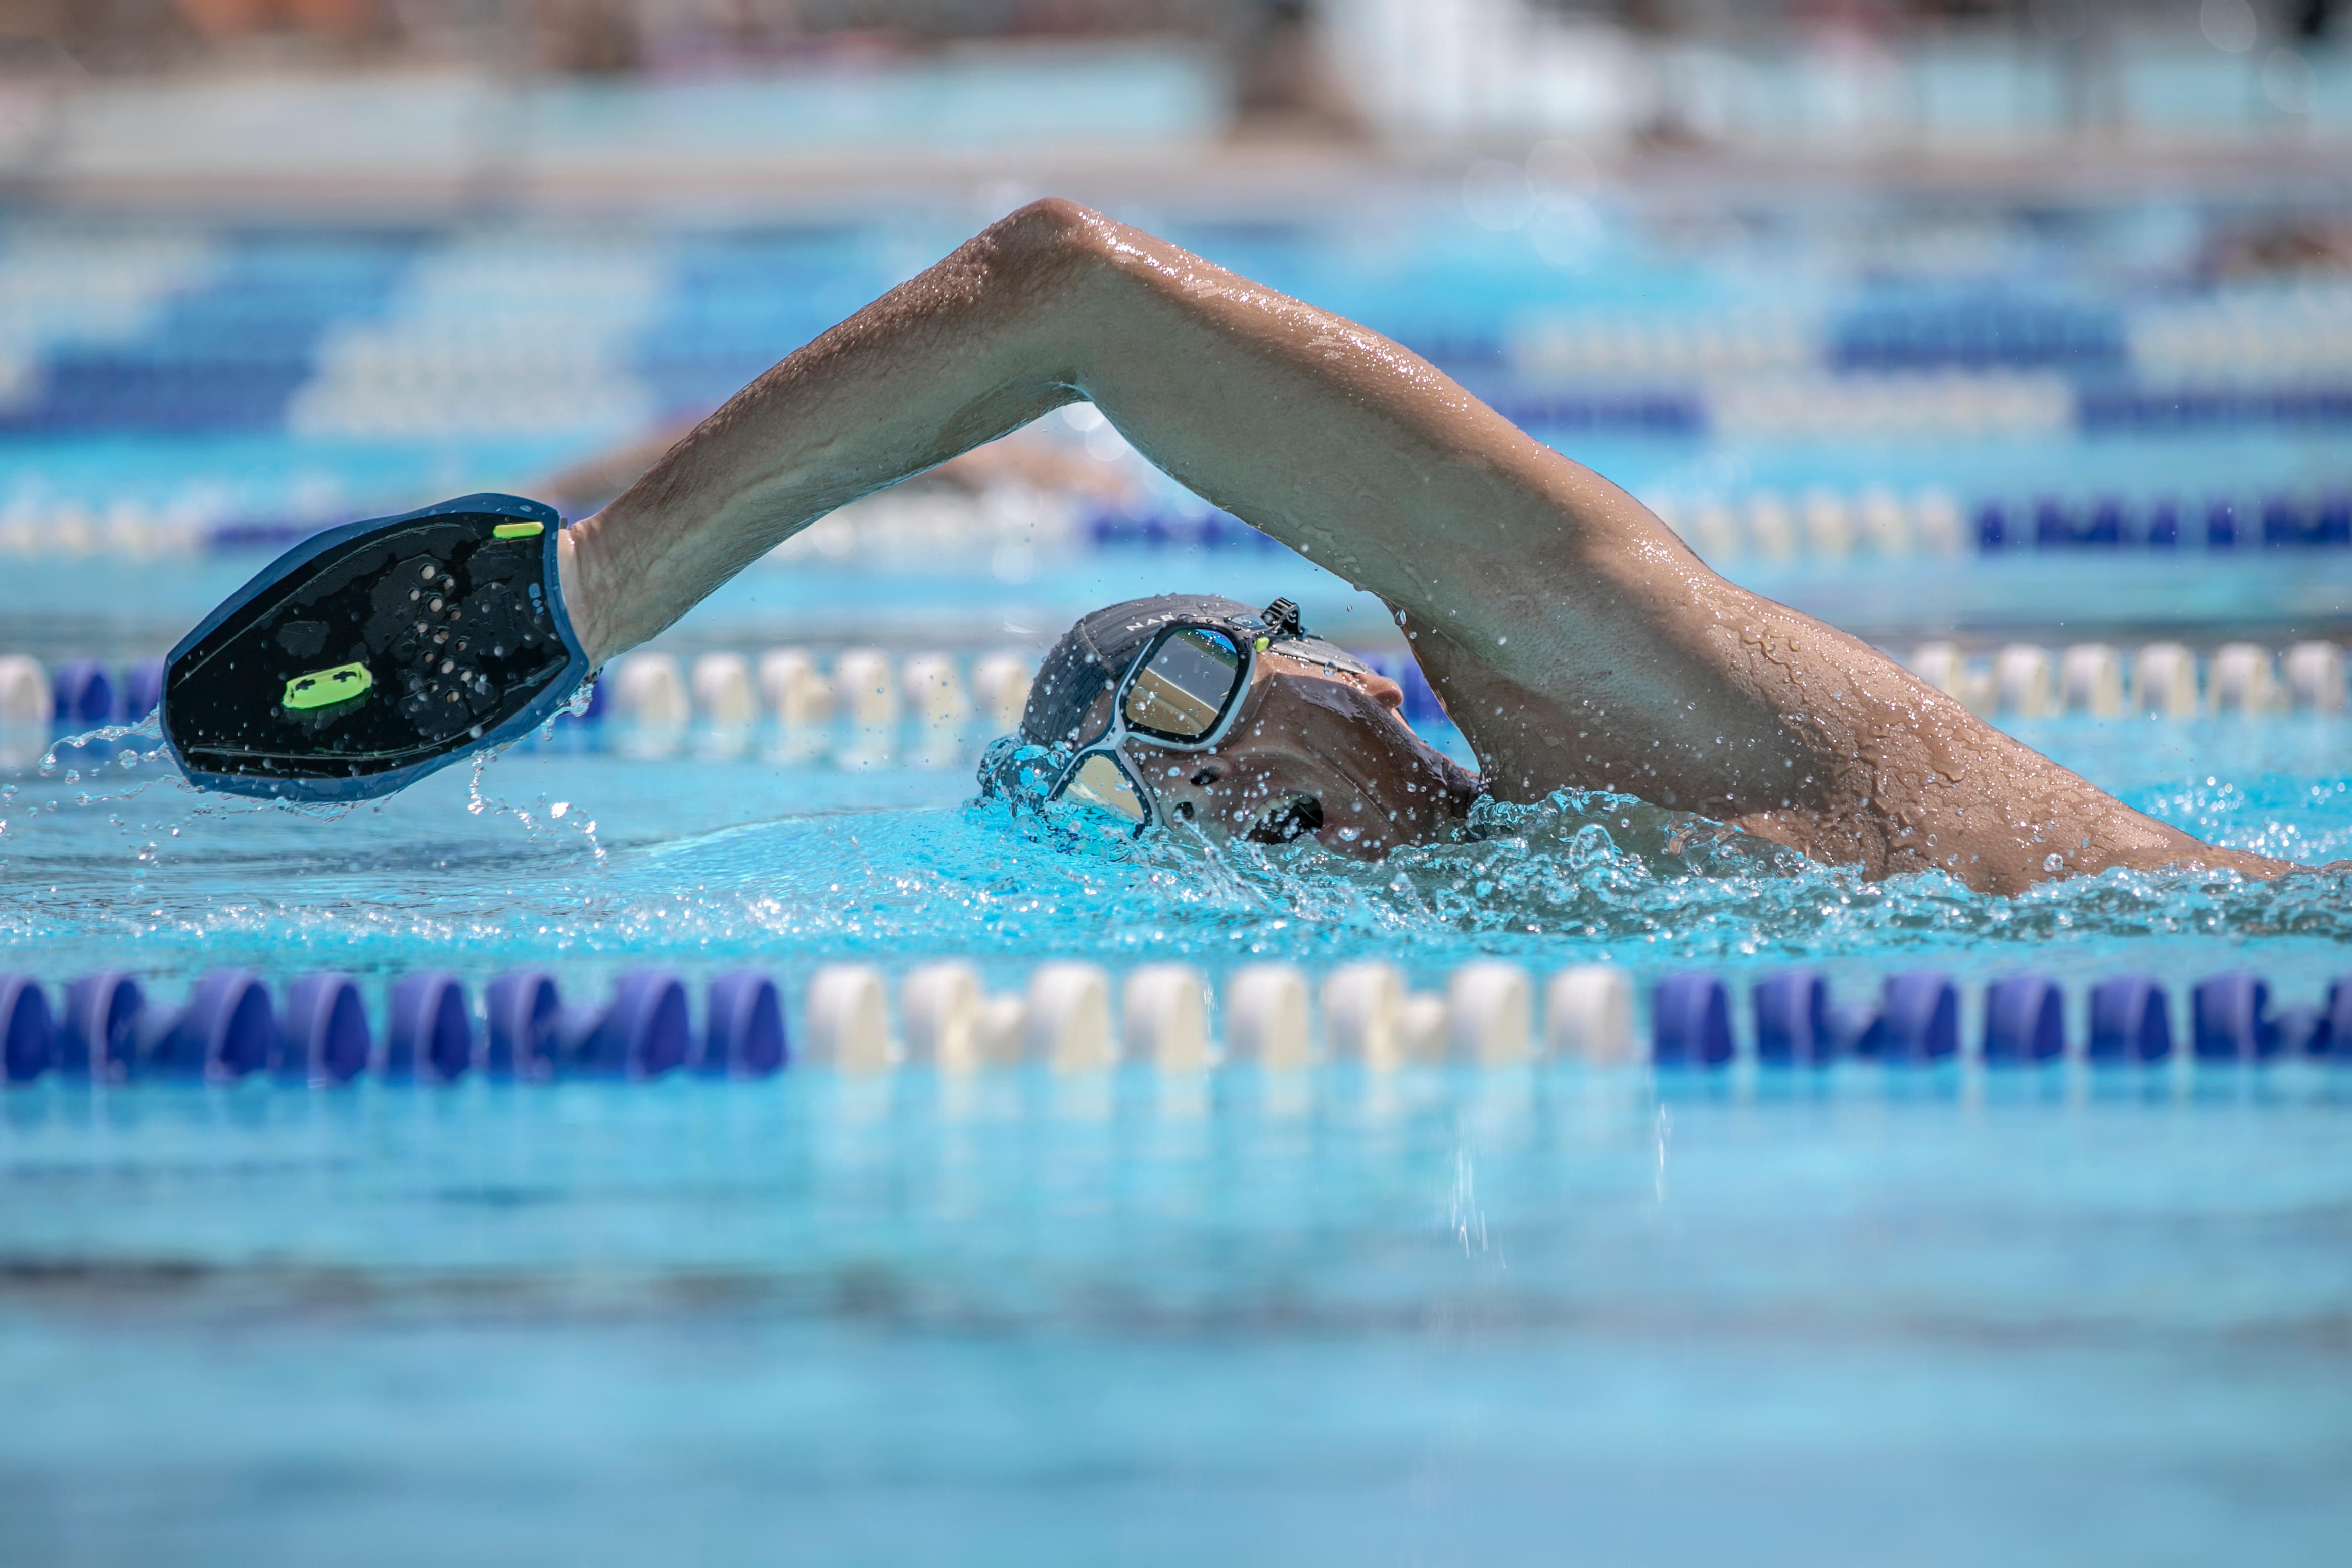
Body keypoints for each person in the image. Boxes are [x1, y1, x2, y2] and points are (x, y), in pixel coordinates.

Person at [551, 199, 2288, 896]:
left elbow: (1070, 289)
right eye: (1124, 795)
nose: (1193, 778)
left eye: (1187, 687)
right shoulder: (1482, 939)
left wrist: (597, 587)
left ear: (1334, 663)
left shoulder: (1579, 668)